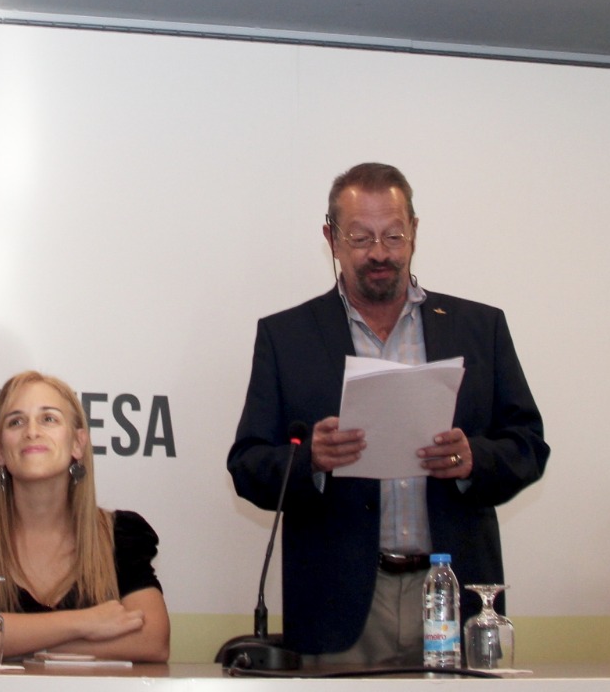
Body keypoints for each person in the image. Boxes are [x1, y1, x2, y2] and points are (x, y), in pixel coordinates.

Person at [227, 162, 549, 665]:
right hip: (339, 604)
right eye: (361, 238)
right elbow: (247, 466)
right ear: (332, 239)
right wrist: (311, 459)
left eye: (393, 236)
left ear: (414, 232)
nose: (380, 253)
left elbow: (528, 445)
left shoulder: (478, 328)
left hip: (453, 594)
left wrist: (474, 459)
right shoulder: (287, 337)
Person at [0, 371, 170, 662]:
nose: (32, 432)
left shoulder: (120, 536)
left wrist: (11, 643)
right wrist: (85, 623)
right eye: (16, 422)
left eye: (49, 419)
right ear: (0, 451)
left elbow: (153, 641)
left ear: (78, 443)